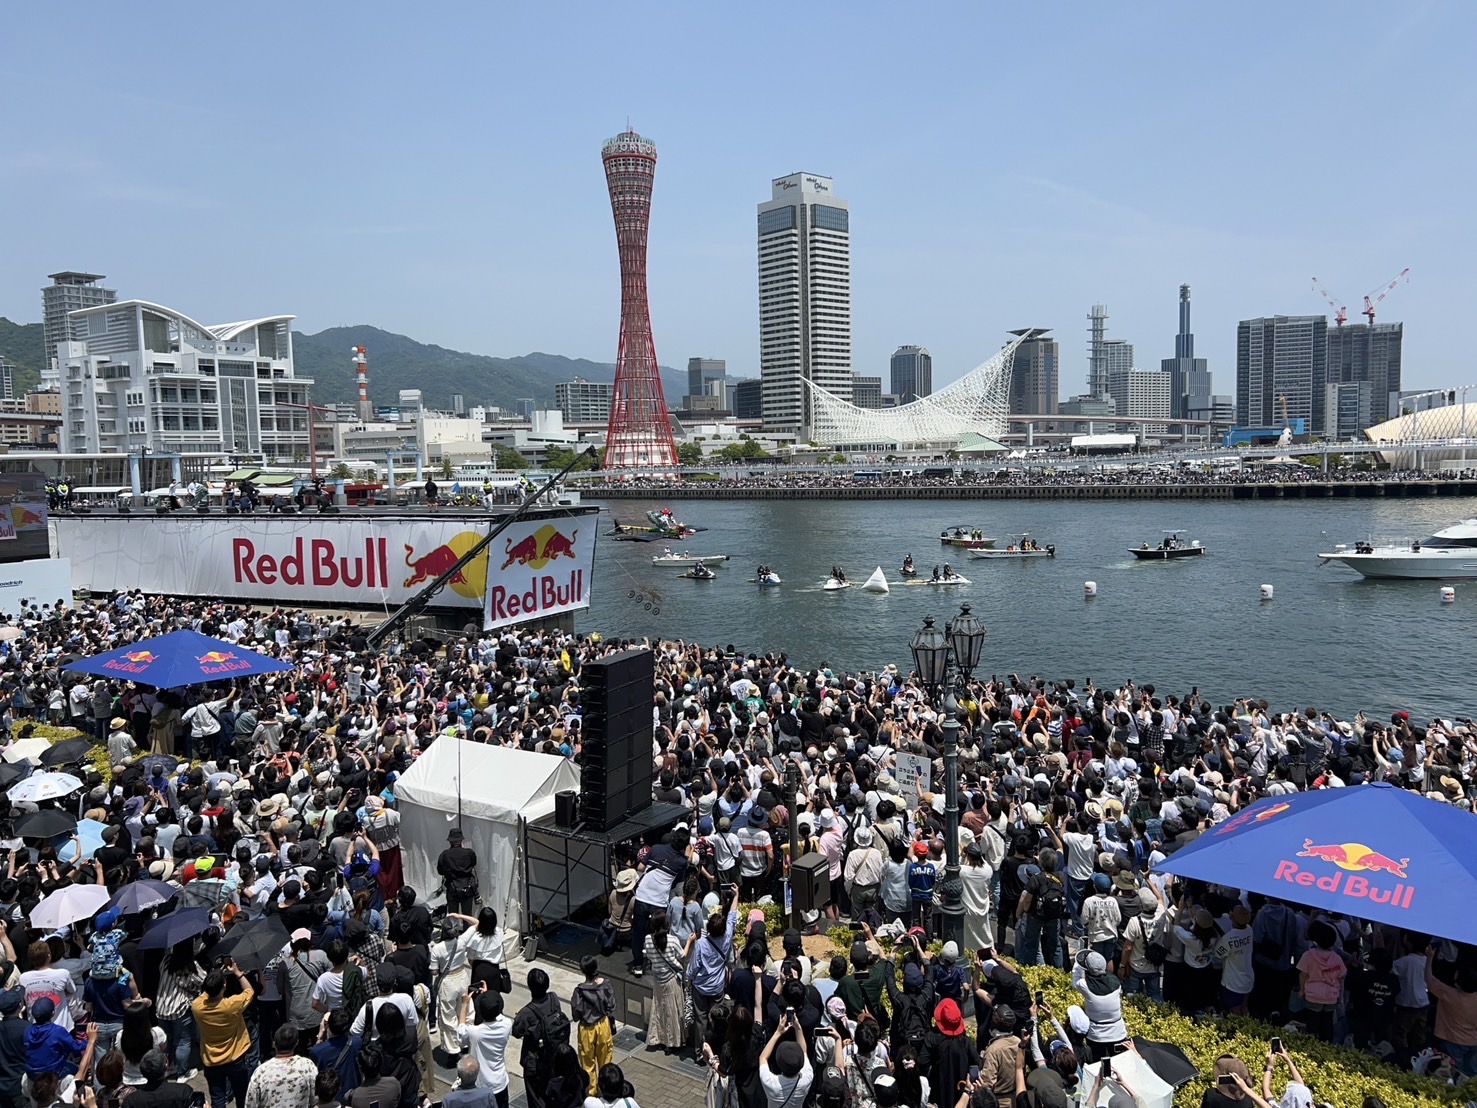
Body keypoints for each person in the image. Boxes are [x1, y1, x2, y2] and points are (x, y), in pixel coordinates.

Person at [191, 960, 255, 1108]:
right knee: (241, 1093)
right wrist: (238, 973)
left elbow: (205, 993)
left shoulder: (197, 1007)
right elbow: (249, 991)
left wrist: (215, 975)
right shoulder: (231, 1005)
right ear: (224, 987)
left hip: (211, 1059)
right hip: (236, 1057)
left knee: (218, 1097)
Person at [512, 968, 569, 1108]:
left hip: (535, 1063)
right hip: (554, 1057)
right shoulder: (553, 998)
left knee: (536, 1099)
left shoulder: (526, 1012)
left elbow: (516, 1032)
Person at [458, 983, 513, 1108]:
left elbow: (460, 1031)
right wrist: (487, 998)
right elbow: (497, 1012)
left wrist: (464, 1004)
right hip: (500, 1082)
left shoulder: (475, 1032)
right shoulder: (506, 1024)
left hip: (481, 1085)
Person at [1424, 945, 1477, 1076]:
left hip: (1452, 1041)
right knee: (1471, 1075)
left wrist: (1430, 958)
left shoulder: (1449, 994)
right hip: (1474, 1041)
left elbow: (1429, 981)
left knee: (1452, 1073)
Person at [571, 955, 617, 1096]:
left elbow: (576, 1015)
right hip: (603, 1025)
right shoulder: (606, 985)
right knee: (606, 1060)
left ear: (583, 971)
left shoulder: (579, 991)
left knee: (587, 1063)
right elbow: (612, 1005)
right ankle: (606, 1090)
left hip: (586, 1028)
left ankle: (591, 1094)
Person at [1069, 950, 1126, 1064]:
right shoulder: (1116, 983)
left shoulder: (1085, 986)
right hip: (1118, 1033)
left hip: (1097, 1036)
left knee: (1096, 1065)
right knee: (1119, 1064)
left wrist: (1078, 965)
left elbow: (1075, 981)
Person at [1295, 920, 1347, 1042]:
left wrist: (1302, 990)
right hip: (1331, 996)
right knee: (1328, 1023)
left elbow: (1303, 974)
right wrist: (1340, 995)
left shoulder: (1308, 955)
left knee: (1312, 1023)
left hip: (1313, 995)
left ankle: (1311, 1045)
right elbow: (1341, 977)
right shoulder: (1337, 958)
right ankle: (1327, 1045)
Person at [243, 1025, 319, 1108]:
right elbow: (315, 1099)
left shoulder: (261, 1072)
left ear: (274, 1044)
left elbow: (250, 1104)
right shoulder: (307, 1066)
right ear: (296, 1043)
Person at [758, 1011, 812, 1108]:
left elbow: (763, 1058)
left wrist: (778, 1032)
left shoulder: (770, 1083)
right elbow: (804, 1051)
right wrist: (798, 1027)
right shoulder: (807, 1079)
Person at [438, 828, 479, 917]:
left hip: (452, 888)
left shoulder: (444, 855)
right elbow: (473, 864)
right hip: (467, 887)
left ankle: (452, 931)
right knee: (467, 917)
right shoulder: (470, 853)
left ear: (450, 841)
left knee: (453, 916)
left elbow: (440, 871)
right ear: (461, 840)